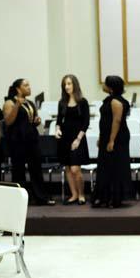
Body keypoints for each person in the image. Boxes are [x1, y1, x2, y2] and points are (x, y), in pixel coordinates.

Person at [3, 79, 55, 205]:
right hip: (17, 140)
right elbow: (9, 121)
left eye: (29, 85)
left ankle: (41, 197)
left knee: (36, 169)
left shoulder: (30, 103)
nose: (29, 87)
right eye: (26, 85)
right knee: (19, 170)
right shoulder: (9, 102)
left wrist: (36, 121)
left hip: (31, 139)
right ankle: (19, 199)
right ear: (18, 89)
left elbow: (31, 120)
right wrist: (17, 105)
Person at [92, 75, 133, 208]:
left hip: (116, 138)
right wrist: (101, 136)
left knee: (114, 167)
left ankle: (114, 198)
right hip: (107, 136)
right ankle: (105, 196)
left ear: (110, 87)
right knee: (105, 167)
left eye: (105, 83)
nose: (103, 85)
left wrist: (111, 140)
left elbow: (117, 121)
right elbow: (105, 121)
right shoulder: (109, 100)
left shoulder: (116, 102)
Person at [55, 74, 90, 205]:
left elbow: (85, 123)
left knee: (76, 169)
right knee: (68, 168)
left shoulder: (83, 102)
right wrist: (57, 129)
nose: (67, 86)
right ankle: (74, 194)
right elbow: (59, 120)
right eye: (65, 84)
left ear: (75, 84)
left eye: (69, 83)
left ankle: (81, 194)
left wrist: (78, 139)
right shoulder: (62, 102)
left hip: (78, 138)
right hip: (65, 138)